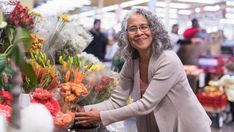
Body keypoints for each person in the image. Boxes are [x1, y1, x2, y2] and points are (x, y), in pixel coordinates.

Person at [74, 8, 212, 132]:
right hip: (158, 124)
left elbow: (146, 104)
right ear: (126, 35)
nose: (139, 33)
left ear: (154, 30)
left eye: (144, 27)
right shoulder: (131, 62)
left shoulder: (168, 60)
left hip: (187, 125)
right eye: (132, 29)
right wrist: (82, 111)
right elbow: (117, 101)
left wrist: (101, 116)